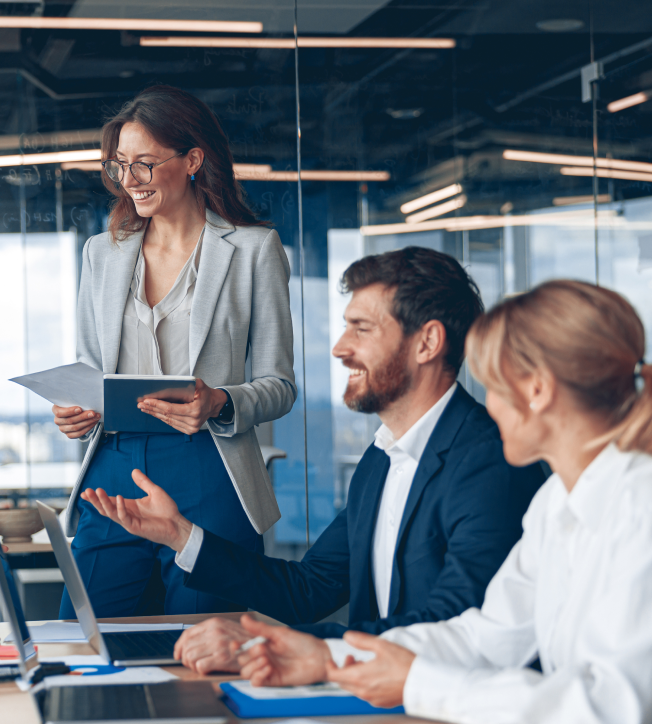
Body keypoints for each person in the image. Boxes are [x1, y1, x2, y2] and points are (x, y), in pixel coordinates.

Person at [237, 280, 652, 724]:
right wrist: (331, 657)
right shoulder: (559, 502)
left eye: (493, 387)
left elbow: (612, 708)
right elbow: (490, 634)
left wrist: (417, 682)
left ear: (539, 391)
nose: (486, 406)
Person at [83, 247, 545, 672]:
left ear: (427, 343)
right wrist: (179, 534)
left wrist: (269, 647)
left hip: (447, 717)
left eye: (361, 329)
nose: (340, 348)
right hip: (375, 702)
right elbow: (308, 590)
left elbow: (452, 625)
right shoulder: (382, 459)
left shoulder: (492, 463)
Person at [52, 84, 296, 620]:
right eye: (119, 166)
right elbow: (90, 369)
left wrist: (221, 402)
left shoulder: (254, 250)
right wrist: (76, 409)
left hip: (210, 463)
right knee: (88, 636)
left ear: (192, 160)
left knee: (206, 640)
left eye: (144, 164)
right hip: (113, 464)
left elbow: (279, 385)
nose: (129, 181)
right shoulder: (103, 253)